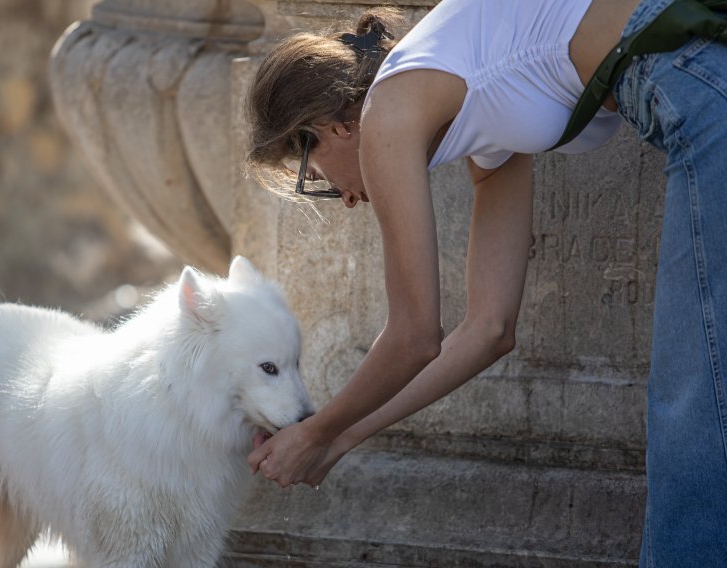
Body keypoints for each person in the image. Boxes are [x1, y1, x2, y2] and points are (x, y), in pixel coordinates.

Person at [245, 0, 727, 564]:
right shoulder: (472, 106)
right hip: (701, 81)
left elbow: (415, 336)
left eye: (318, 179)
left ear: (329, 128)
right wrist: (340, 437)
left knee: (692, 420)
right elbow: (489, 328)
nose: (346, 199)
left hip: (699, 89)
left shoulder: (389, 108)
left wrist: (313, 432)